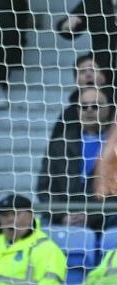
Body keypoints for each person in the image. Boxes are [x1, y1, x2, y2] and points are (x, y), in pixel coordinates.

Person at [38, 87, 114, 229]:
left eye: (95, 106)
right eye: (84, 107)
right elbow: (45, 187)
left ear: (109, 109)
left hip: (107, 220)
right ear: (78, 111)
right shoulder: (60, 145)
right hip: (63, 220)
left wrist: (90, 216)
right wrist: (63, 215)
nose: (89, 110)